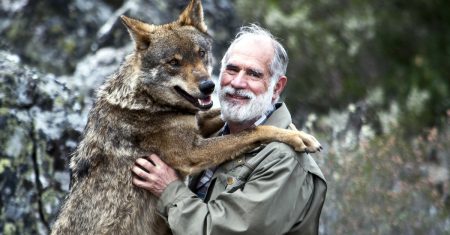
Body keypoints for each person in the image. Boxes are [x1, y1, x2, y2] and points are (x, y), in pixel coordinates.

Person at [131, 24, 327, 235]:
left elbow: (222, 231)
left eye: (253, 74)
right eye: (232, 69)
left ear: (276, 88)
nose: (237, 82)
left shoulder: (284, 160)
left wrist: (168, 190)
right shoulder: (216, 132)